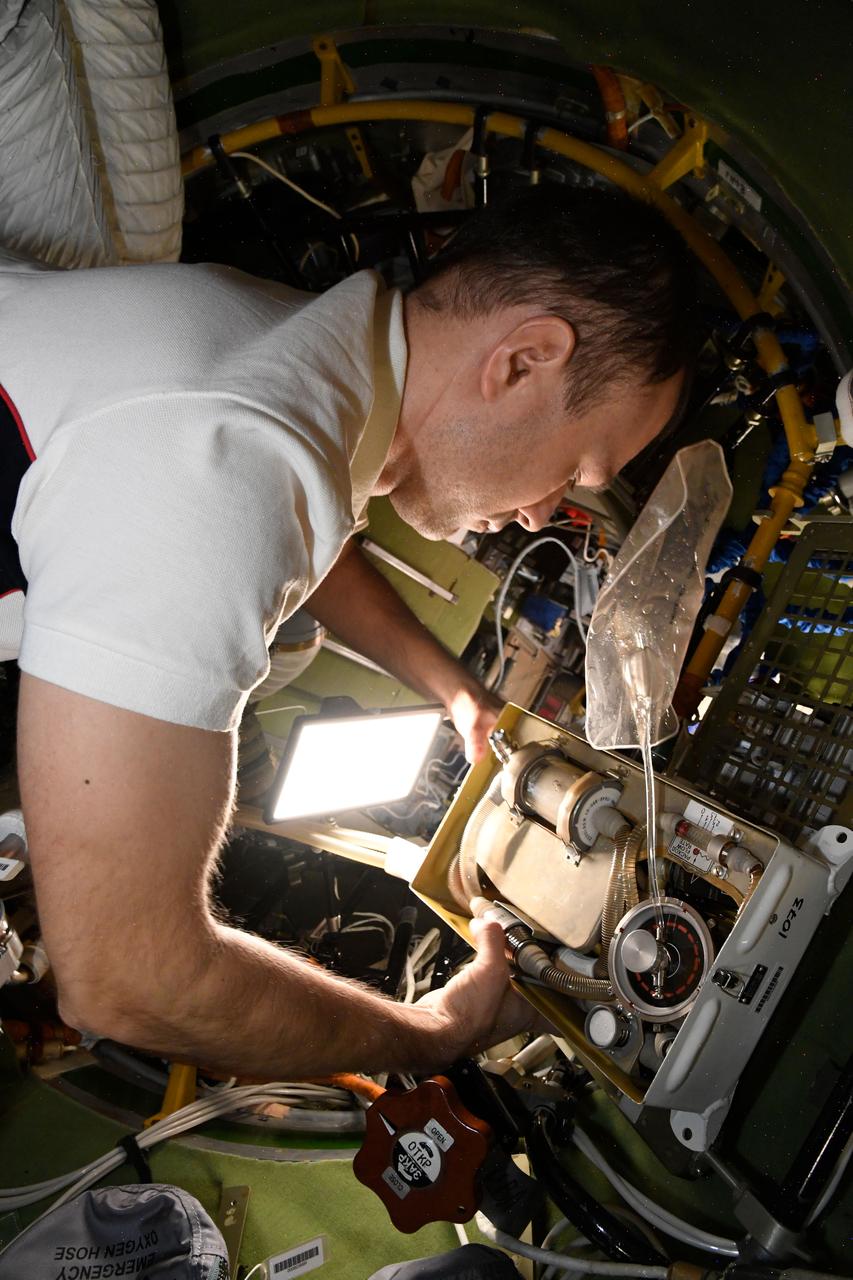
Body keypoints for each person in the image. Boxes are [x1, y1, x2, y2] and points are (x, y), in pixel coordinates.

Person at [0, 185, 692, 1079]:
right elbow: (125, 977)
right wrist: (435, 1036)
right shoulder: (226, 461)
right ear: (523, 360)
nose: (537, 514)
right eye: (574, 468)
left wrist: (448, 685)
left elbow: (292, 527)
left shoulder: (277, 349)